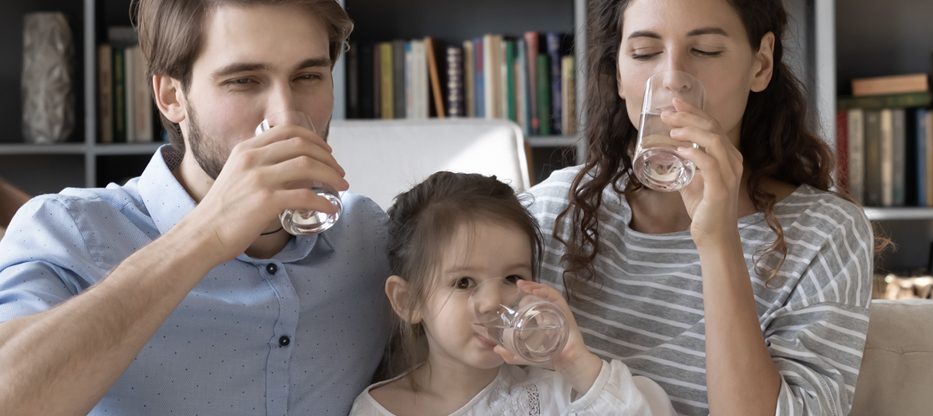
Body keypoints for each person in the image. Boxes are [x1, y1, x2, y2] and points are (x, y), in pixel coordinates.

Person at [0, 1, 390, 413]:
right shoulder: (66, 231)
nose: (284, 116)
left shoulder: (369, 237)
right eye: (243, 81)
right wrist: (205, 234)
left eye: (308, 76)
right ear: (171, 96)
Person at [523, 0, 875, 414]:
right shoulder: (553, 211)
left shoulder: (825, 233)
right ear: (619, 73)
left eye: (706, 50)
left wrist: (718, 240)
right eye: (644, 53)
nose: (672, 78)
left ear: (761, 64)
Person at [349, 171, 673, 415]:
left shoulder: (553, 394)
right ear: (409, 301)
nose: (493, 302)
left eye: (512, 277)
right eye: (464, 282)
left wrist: (574, 360)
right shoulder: (378, 409)